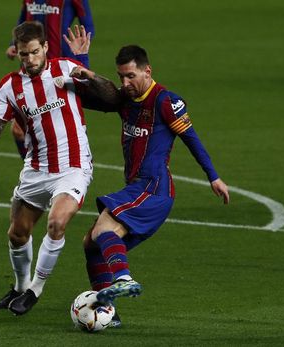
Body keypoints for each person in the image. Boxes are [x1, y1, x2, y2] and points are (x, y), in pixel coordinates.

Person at [70, 45, 230, 326]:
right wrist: (81, 62)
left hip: (154, 187)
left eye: (130, 76)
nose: (125, 83)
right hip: (139, 187)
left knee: (104, 228)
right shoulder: (126, 99)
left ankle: (124, 279)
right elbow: (88, 98)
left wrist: (213, 176)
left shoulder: (165, 100)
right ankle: (110, 314)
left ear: (147, 71)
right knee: (91, 244)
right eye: (121, 77)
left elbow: (191, 138)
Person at [0, 22, 93, 316]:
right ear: (17, 53)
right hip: (36, 168)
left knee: (57, 223)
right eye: (24, 55)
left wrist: (83, 62)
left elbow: (99, 91)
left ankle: (35, 289)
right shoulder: (9, 86)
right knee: (17, 234)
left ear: (45, 47)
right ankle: (20, 287)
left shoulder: (64, 69)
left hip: (73, 166)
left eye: (35, 52)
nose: (30, 59)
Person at [6, 0, 95, 159]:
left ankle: (81, 158)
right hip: (31, 72)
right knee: (18, 130)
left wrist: (81, 46)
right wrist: (14, 44)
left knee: (68, 122)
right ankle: (34, 169)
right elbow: (22, 21)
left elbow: (88, 25)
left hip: (60, 72)